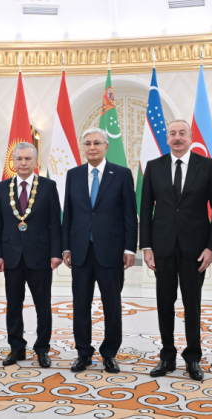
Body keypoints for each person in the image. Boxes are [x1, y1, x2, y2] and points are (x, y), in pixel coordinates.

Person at [140, 120, 212, 381]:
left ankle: (193, 359)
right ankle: (167, 356)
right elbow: (145, 210)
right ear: (167, 138)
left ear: (191, 138)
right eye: (172, 134)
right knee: (164, 304)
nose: (177, 138)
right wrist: (146, 246)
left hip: (195, 249)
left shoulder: (209, 167)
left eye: (182, 134)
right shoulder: (154, 167)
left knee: (193, 305)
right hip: (162, 247)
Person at [62, 127, 138, 374]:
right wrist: (66, 247)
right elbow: (69, 214)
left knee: (112, 305)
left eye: (96, 143)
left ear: (106, 146)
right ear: (82, 148)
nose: (91, 147)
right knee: (80, 305)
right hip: (81, 251)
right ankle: (83, 352)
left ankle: (109, 353)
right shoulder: (73, 175)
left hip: (112, 251)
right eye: (87, 144)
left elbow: (129, 215)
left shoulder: (122, 174)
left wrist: (130, 248)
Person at [0, 142, 62, 368]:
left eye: (28, 159)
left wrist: (55, 253)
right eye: (19, 159)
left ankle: (42, 349)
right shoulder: (3, 187)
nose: (23, 163)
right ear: (12, 162)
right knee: (13, 305)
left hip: (40, 256)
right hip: (11, 255)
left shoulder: (48, 186)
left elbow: (55, 223)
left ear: (35, 162)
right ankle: (16, 348)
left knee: (43, 305)